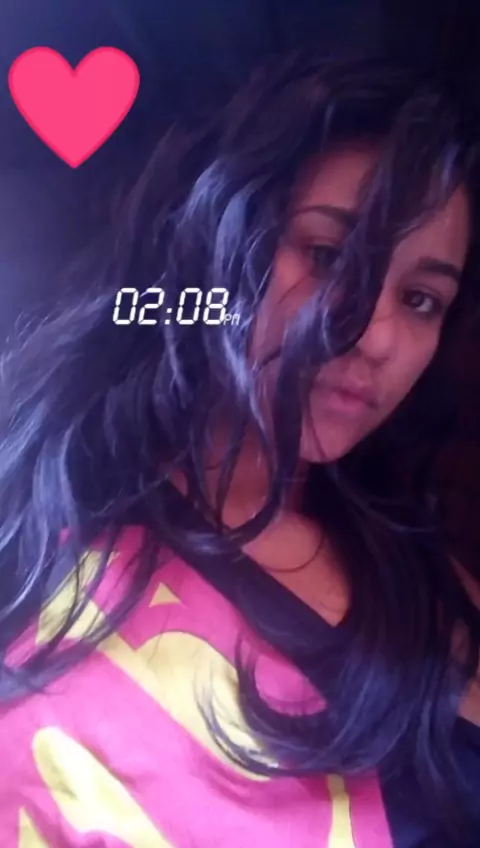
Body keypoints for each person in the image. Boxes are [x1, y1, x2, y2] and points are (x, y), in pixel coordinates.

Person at [0, 51, 479, 847]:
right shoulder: (46, 509)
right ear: (222, 242)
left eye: (422, 299)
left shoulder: (416, 555)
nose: (376, 336)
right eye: (327, 257)